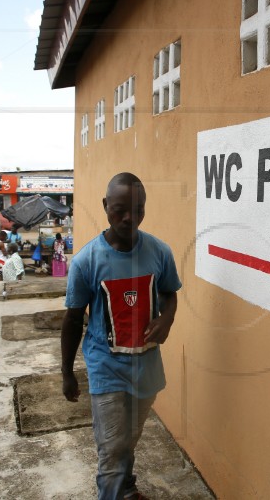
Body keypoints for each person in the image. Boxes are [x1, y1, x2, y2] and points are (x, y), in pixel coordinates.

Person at [61, 173, 181, 500]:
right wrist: (67, 373)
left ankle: (126, 489)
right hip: (106, 367)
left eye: (138, 209)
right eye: (120, 210)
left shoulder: (159, 251)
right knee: (112, 450)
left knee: (130, 438)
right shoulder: (87, 261)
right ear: (105, 207)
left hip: (146, 367)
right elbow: (73, 320)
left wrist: (166, 319)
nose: (130, 218)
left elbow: (171, 293)